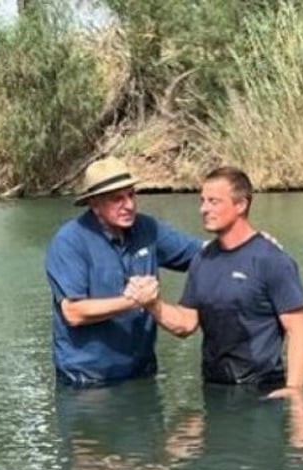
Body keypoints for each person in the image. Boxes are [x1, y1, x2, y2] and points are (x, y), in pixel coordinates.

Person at [126, 166, 303, 399]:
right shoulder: (202, 260)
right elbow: (185, 323)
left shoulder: (271, 259)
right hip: (214, 392)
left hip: (262, 392)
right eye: (202, 201)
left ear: (241, 205)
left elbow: (299, 332)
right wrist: (152, 304)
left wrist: (294, 391)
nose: (204, 209)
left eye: (214, 201)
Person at [45, 156, 203, 387]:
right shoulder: (69, 241)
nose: (128, 205)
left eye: (131, 195)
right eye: (116, 199)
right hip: (87, 383)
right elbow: (73, 312)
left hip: (143, 374)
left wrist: (249, 242)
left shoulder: (147, 229)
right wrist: (134, 301)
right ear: (94, 204)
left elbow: (201, 253)